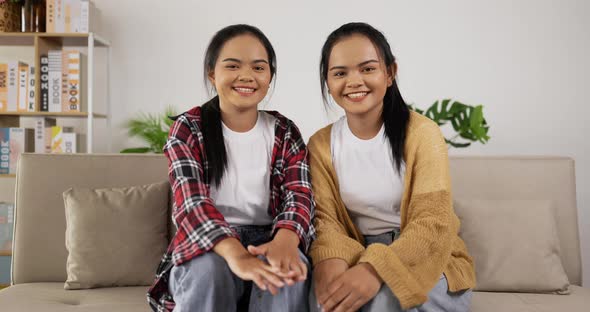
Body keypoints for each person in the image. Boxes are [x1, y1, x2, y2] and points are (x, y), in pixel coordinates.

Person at [308, 22, 475, 312]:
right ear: (328, 82)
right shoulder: (320, 145)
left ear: (390, 73)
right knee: (324, 301)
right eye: (340, 73)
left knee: (383, 302)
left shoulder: (423, 134)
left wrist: (375, 269)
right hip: (354, 253)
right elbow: (326, 220)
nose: (354, 81)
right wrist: (331, 261)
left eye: (368, 68)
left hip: (428, 257)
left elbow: (433, 222)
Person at [147, 24, 315, 312]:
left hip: (271, 239)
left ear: (270, 76)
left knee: (288, 271)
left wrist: (287, 239)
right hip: (210, 246)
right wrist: (235, 254)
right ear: (212, 73)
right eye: (233, 65)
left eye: (259, 68)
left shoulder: (285, 131)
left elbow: (299, 194)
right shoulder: (188, 129)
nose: (247, 76)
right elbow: (190, 204)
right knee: (209, 272)